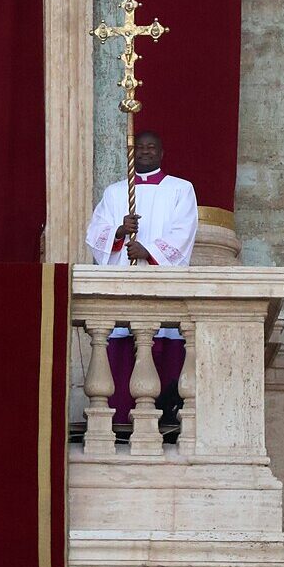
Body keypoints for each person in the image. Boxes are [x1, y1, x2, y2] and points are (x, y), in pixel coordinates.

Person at [85, 131, 198, 427]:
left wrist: (148, 250)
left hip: (163, 286)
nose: (145, 152)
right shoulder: (115, 192)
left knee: (162, 355)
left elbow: (184, 232)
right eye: (141, 148)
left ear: (161, 153)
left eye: (151, 147)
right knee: (123, 356)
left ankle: (166, 424)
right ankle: (120, 422)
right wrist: (120, 233)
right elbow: (95, 233)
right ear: (132, 154)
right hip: (125, 284)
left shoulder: (180, 189)